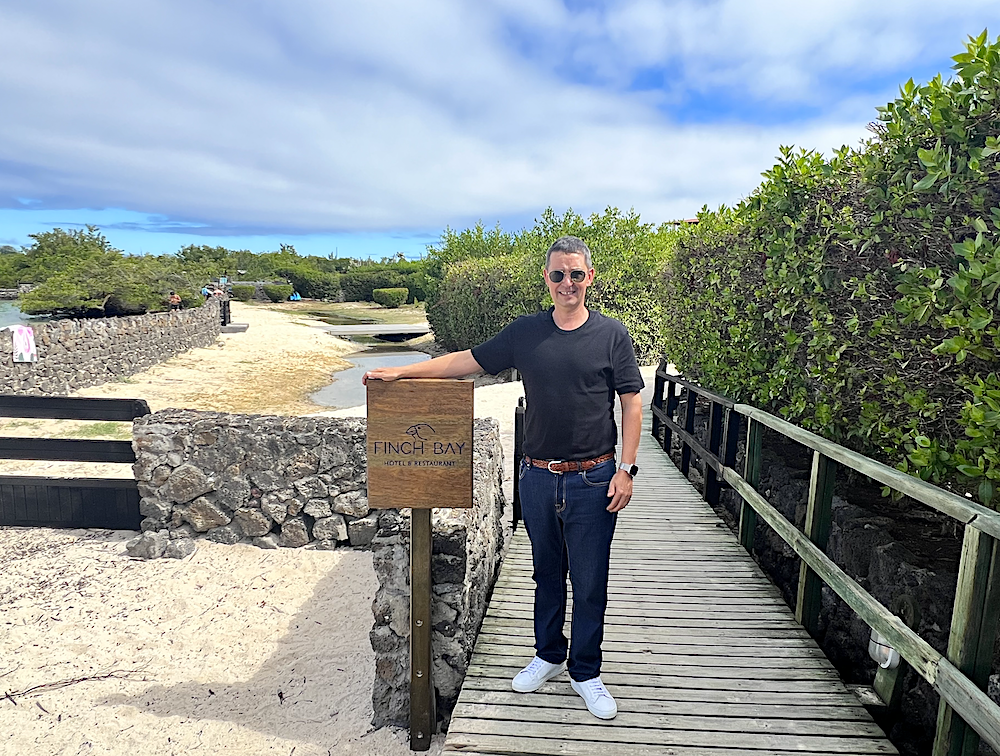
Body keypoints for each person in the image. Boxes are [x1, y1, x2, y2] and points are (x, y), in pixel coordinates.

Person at [363, 235, 642, 720]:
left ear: (589, 277)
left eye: (576, 274)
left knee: (591, 581)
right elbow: (466, 361)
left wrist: (627, 468)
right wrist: (403, 374)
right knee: (546, 576)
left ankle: (586, 671)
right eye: (558, 275)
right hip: (536, 477)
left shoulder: (612, 336)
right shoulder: (525, 333)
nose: (568, 283)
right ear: (547, 279)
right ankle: (549, 656)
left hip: (594, 478)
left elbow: (631, 401)